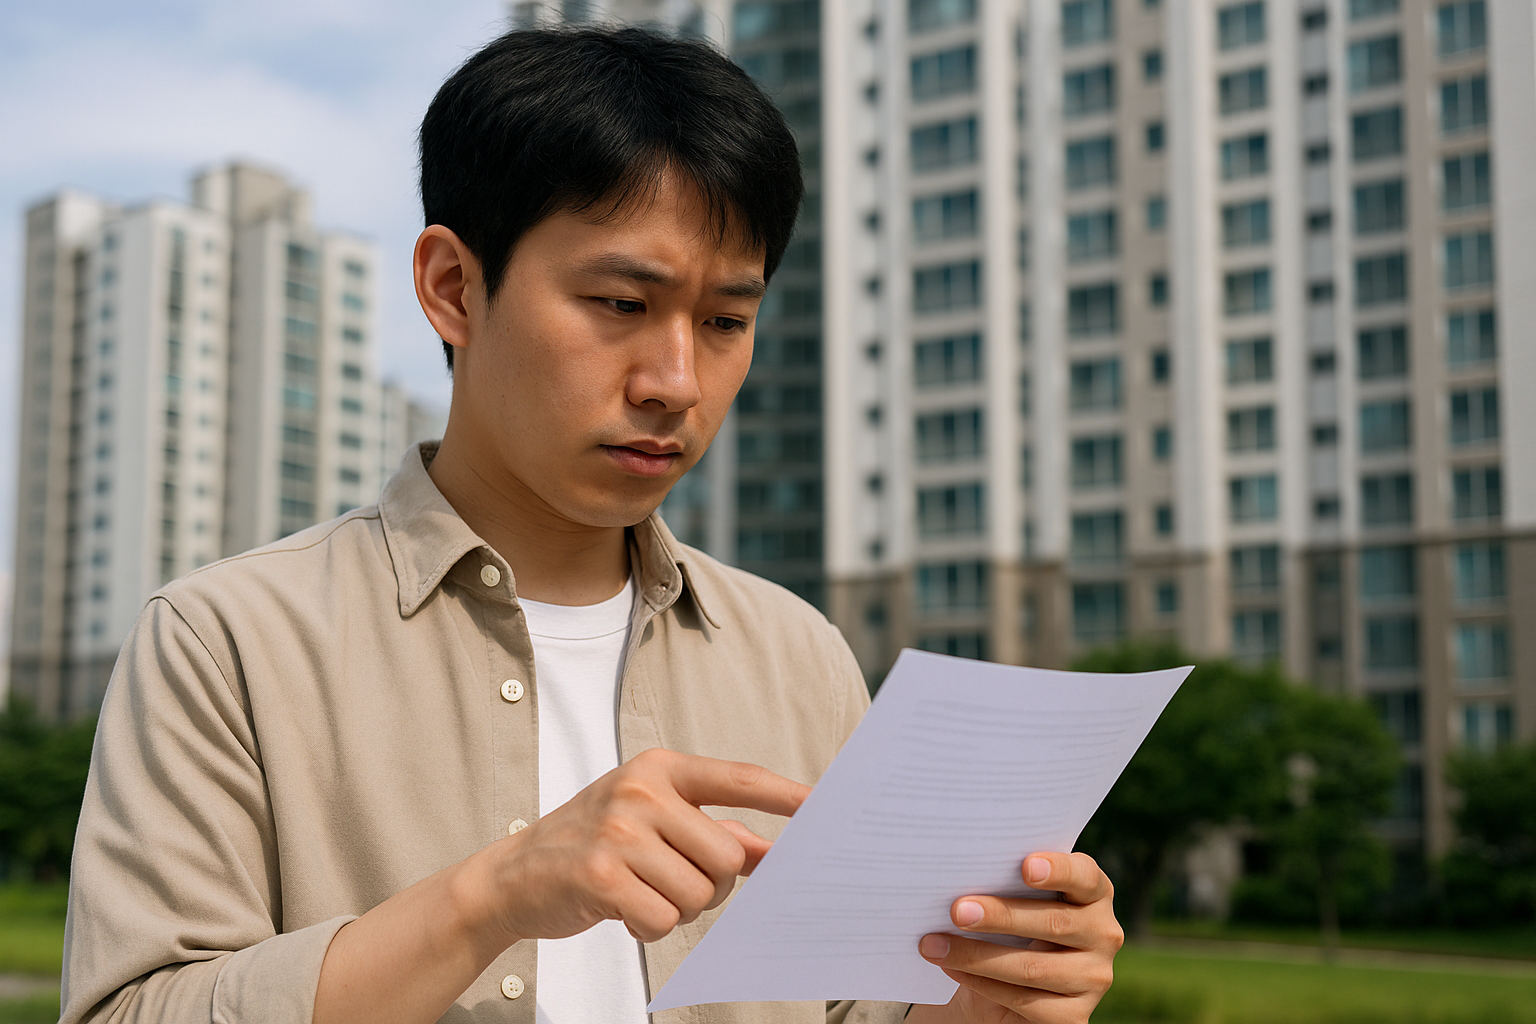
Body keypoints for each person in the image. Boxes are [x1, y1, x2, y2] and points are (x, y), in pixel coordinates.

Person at [60, 26, 1122, 1024]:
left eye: (725, 321)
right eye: (620, 303)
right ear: (451, 287)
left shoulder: (799, 654)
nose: (675, 381)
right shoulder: (229, 639)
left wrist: (985, 1000)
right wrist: (491, 896)